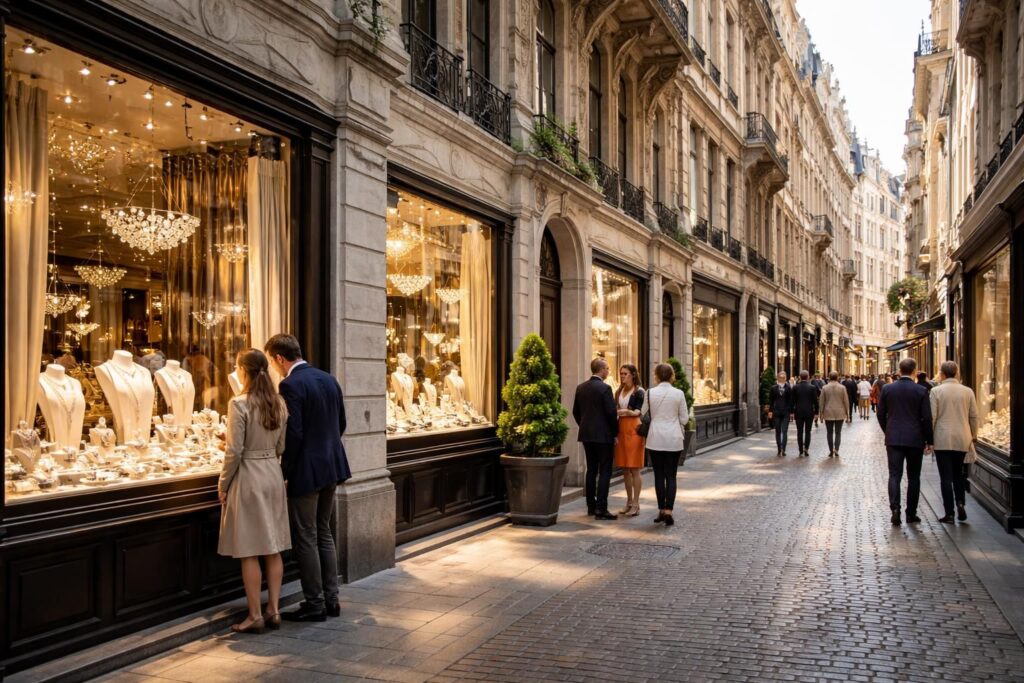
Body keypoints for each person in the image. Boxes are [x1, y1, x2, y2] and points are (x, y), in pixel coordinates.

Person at [265, 334, 352, 622]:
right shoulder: (328, 378)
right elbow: (341, 422)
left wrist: (285, 471)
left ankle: (315, 604)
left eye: (272, 362)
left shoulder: (290, 384)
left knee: (306, 536)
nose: (274, 368)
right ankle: (332, 600)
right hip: (332, 465)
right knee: (324, 531)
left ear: (279, 358)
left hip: (307, 469)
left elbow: (295, 433)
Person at [218, 349, 291, 634]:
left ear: (243, 371)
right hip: (273, 473)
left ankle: (254, 615)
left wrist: (223, 484)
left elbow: (234, 451)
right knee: (272, 547)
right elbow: (281, 447)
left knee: (249, 549)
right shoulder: (279, 403)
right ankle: (274, 609)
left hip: (248, 475)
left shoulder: (239, 404)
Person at [877, 358, 933, 526]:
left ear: (900, 371)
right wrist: (929, 440)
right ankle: (911, 513)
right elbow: (927, 418)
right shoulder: (921, 391)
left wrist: (888, 430)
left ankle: (895, 509)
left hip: (893, 438)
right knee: (914, 477)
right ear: (914, 371)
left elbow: (880, 414)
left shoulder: (888, 389)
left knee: (894, 475)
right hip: (915, 439)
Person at [929, 361, 977, 524]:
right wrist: (973, 436)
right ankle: (960, 503)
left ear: (942, 374)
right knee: (959, 474)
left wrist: (929, 440)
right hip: (962, 437)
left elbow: (932, 417)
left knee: (945, 477)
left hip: (942, 438)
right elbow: (973, 416)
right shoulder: (967, 391)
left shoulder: (936, 391)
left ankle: (949, 513)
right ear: (956, 373)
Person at [572, 358, 619, 520]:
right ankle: (601, 508)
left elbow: (575, 412)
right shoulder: (605, 388)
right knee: (605, 471)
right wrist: (615, 433)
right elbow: (612, 414)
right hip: (604, 436)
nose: (608, 371)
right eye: (607, 368)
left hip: (587, 435)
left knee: (591, 470)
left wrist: (584, 426)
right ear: (602, 369)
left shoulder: (581, 387)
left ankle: (591, 507)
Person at [643, 363, 689, 526]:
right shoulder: (679, 393)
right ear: (672, 376)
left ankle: (661, 509)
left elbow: (642, 414)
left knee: (658, 475)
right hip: (673, 438)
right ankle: (669, 510)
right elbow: (684, 419)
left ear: (656, 375)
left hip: (655, 438)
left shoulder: (650, 393)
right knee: (671, 475)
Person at [613, 364, 645, 517]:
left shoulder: (639, 391)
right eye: (621, 374)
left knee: (635, 468)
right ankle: (629, 501)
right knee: (625, 469)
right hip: (621, 429)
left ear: (633, 374)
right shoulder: (618, 391)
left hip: (634, 429)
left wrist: (625, 411)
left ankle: (637, 504)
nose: (622, 376)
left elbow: (638, 412)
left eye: (625, 373)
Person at [819, 371, 850, 457]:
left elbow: (821, 402)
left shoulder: (825, 388)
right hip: (840, 412)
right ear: (837, 378)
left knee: (829, 433)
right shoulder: (842, 388)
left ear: (829, 377)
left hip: (828, 412)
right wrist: (847, 414)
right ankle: (836, 449)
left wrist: (821, 413)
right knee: (838, 432)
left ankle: (830, 450)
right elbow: (846, 401)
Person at [792, 371, 819, 457]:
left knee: (799, 432)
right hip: (809, 412)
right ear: (807, 377)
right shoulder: (812, 387)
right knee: (808, 431)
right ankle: (806, 449)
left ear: (799, 377)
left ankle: (800, 450)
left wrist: (791, 412)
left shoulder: (795, 387)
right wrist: (816, 413)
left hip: (798, 412)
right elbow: (815, 401)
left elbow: (792, 401)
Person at [768, 371, 794, 457]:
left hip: (786, 412)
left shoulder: (789, 388)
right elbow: (771, 401)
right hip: (776, 412)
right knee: (778, 431)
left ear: (785, 378)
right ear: (778, 378)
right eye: (780, 377)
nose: (782, 379)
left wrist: (791, 412)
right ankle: (779, 449)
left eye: (783, 377)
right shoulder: (773, 388)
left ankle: (783, 449)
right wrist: (770, 411)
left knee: (784, 431)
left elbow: (791, 401)